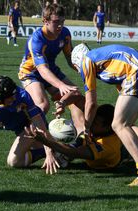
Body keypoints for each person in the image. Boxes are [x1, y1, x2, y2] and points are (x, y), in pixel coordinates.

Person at [71, 43, 138, 186]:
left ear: (76, 63)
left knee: (118, 124)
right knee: (127, 124)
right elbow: (122, 88)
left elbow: (91, 103)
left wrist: (86, 129)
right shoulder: (103, 61)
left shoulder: (86, 61)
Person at [25, 104, 138, 172]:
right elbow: (78, 103)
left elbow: (74, 152)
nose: (91, 124)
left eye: (96, 123)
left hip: (118, 154)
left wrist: (45, 141)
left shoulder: (106, 146)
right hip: (105, 138)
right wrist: (65, 100)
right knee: (76, 142)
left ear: (107, 127)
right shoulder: (97, 129)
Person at [18, 3, 84, 134]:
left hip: (51, 70)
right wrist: (60, 85)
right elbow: (42, 70)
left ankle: (81, 136)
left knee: (77, 97)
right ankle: (27, 134)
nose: (60, 25)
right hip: (31, 73)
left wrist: (85, 70)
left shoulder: (65, 34)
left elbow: (71, 58)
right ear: (45, 21)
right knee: (43, 105)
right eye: (56, 22)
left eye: (62, 21)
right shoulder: (37, 39)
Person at [0, 75, 59, 174]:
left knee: (13, 161)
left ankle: (56, 150)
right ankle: (58, 149)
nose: (14, 98)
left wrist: (49, 153)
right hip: (20, 130)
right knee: (19, 160)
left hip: (31, 127)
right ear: (0, 98)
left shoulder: (22, 95)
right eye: (11, 97)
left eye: (14, 94)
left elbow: (39, 125)